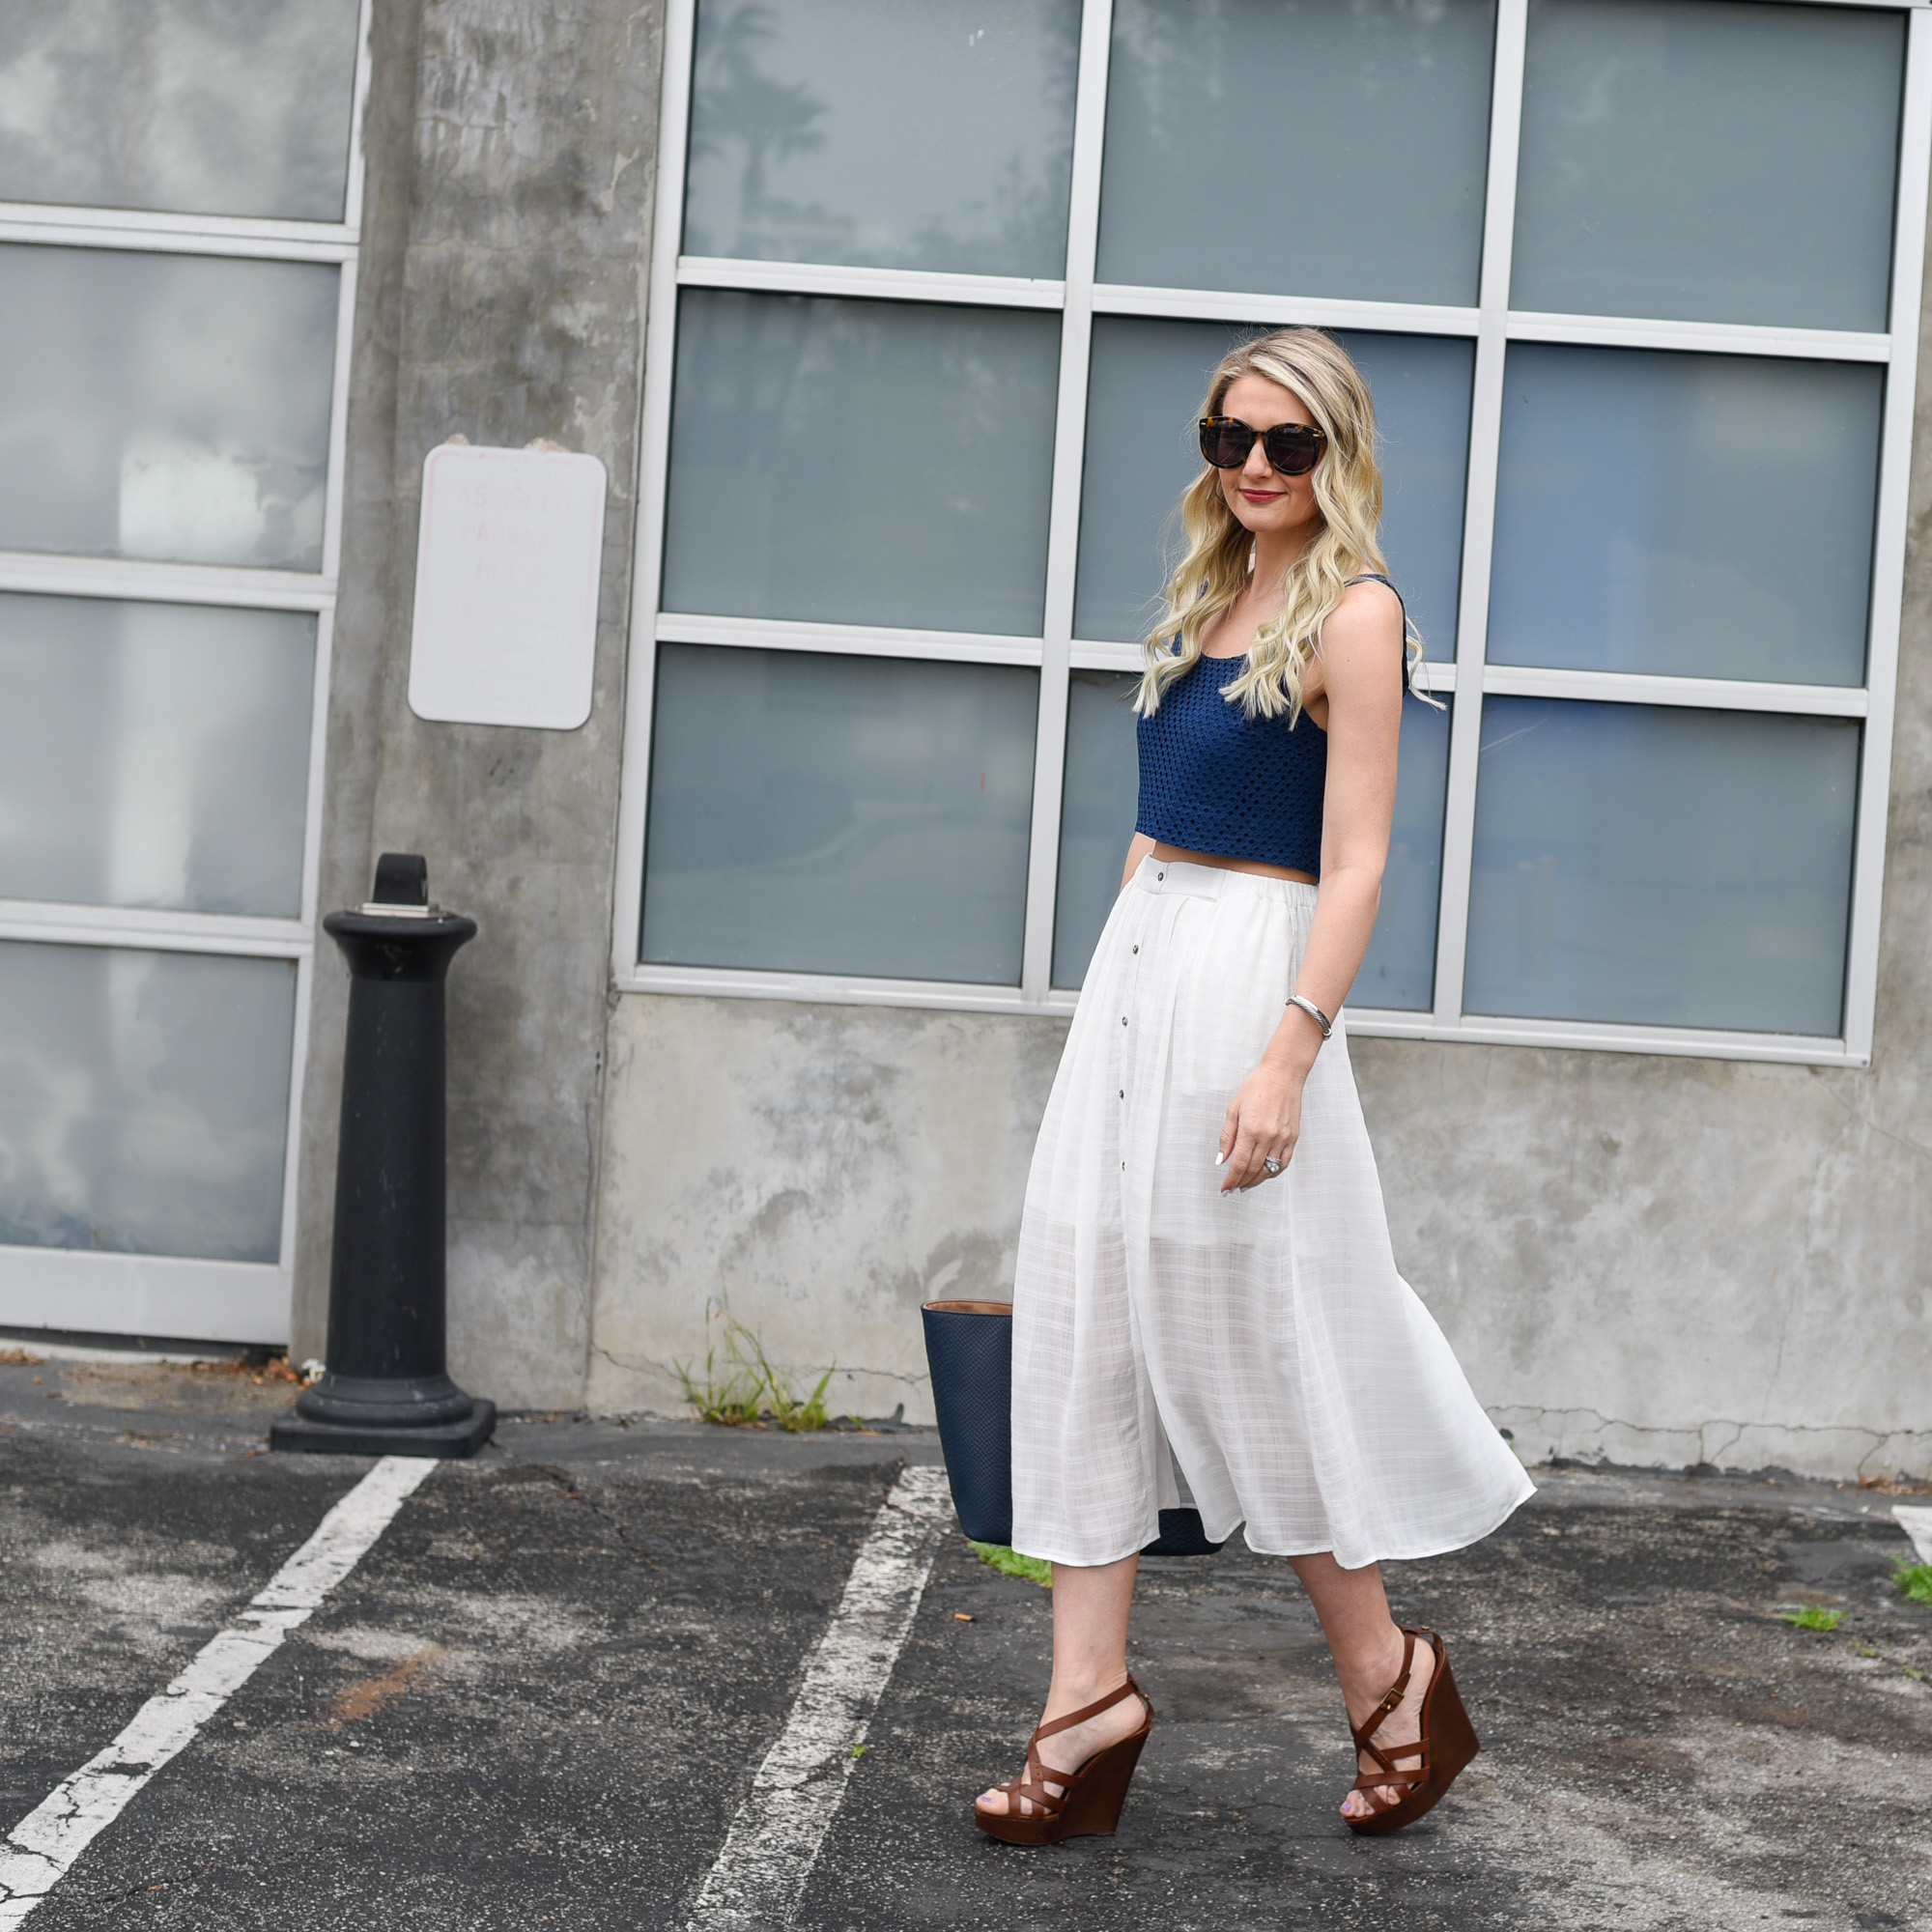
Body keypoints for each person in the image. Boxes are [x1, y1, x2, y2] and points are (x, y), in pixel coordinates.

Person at [975, 328, 1534, 1845]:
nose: (1261, 469)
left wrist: (1286, 1051)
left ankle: (1391, 1675)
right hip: (1148, 969)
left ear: (1337, 456)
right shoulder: (1207, 596)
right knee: (1089, 1307)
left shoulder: (1360, 615)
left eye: (1291, 445)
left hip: (1257, 977)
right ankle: (1084, 1702)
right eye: (1236, 439)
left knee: (1247, 1340)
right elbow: (1161, 826)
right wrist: (1117, 985)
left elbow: (1354, 865)